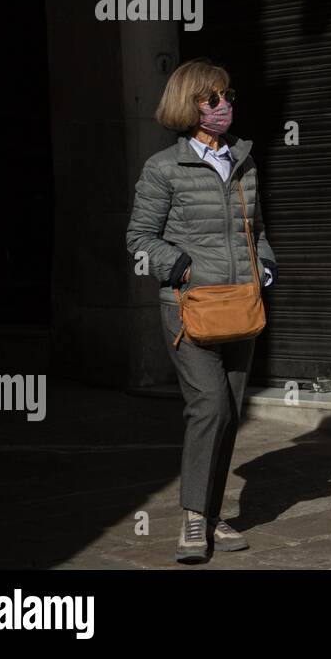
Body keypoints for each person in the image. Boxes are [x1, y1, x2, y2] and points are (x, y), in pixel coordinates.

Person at [125, 58, 276, 564]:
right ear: (190, 105)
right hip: (190, 307)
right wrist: (180, 264)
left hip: (240, 305)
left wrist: (267, 267)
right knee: (208, 405)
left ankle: (213, 515)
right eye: (212, 99)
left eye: (227, 97)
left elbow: (256, 231)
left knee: (230, 412)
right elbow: (138, 239)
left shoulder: (244, 161)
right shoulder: (163, 168)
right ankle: (194, 517)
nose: (223, 107)